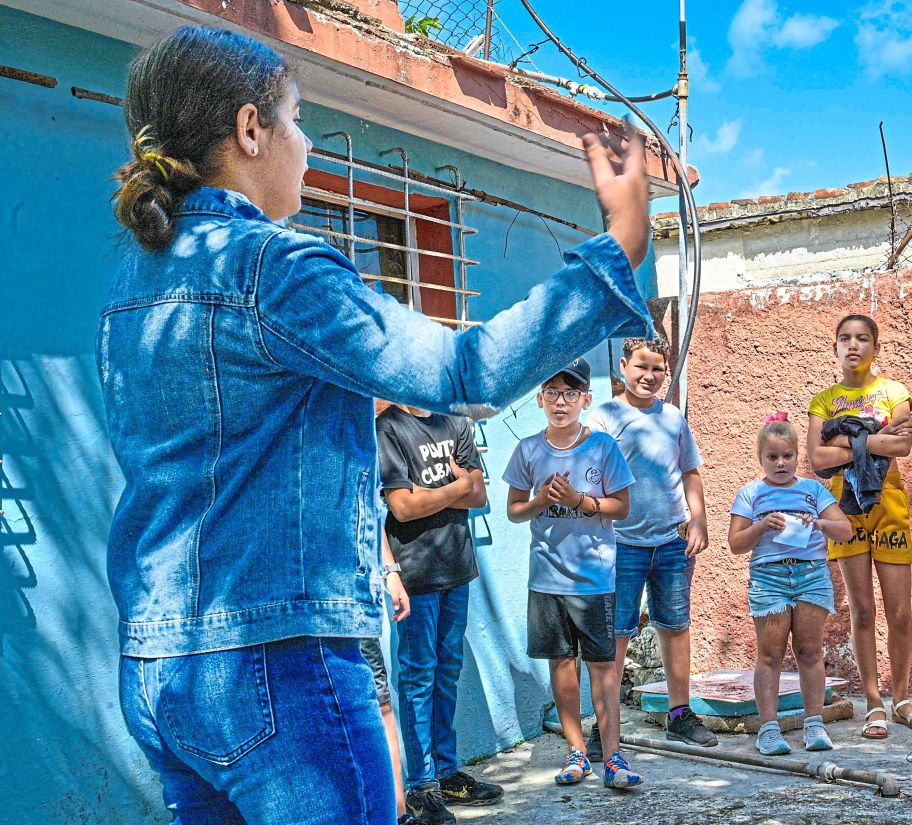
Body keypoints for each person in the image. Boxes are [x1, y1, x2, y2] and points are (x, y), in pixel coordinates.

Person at [100, 26, 652, 824]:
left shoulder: (131, 284)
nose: (308, 141)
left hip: (157, 669)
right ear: (250, 129)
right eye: (295, 119)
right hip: (276, 662)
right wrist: (618, 251)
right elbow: (465, 372)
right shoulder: (275, 267)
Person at [503, 359, 643, 789]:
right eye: (551, 392)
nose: (560, 401)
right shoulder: (528, 449)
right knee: (562, 667)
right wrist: (542, 500)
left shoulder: (602, 447)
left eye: (570, 393)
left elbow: (622, 506)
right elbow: (513, 510)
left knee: (603, 668)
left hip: (594, 579)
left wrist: (582, 501)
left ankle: (614, 756)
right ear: (540, 399)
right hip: (546, 579)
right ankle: (576, 752)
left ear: (585, 399)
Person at [585, 335, 716, 755]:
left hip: (672, 543)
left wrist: (698, 520)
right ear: (623, 366)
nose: (649, 376)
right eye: (641, 366)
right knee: (616, 634)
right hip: (620, 545)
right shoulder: (603, 417)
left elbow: (689, 473)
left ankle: (680, 714)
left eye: (658, 368)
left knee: (675, 627)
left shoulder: (674, 418)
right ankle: (606, 723)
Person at [375, 400, 503, 824]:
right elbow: (402, 507)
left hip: (457, 569)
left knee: (448, 670)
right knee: (416, 678)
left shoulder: (456, 423)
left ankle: (447, 774)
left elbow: (480, 494)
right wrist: (457, 487)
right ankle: (420, 786)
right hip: (415, 576)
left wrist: (450, 491)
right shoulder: (389, 428)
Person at [806, 314, 912, 740]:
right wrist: (874, 440)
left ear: (876, 345)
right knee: (862, 611)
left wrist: (845, 442)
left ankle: (902, 699)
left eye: (862, 339)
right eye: (845, 339)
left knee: (898, 611)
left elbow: (904, 445)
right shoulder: (823, 401)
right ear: (835, 346)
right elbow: (816, 461)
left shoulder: (894, 391)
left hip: (889, 507)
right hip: (844, 511)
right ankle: (874, 702)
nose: (853, 345)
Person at [728, 414, 853, 756]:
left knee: (810, 652)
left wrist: (818, 522)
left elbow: (845, 531)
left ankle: (814, 725)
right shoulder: (751, 493)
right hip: (769, 578)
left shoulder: (813, 489)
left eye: (787, 456)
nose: (780, 463)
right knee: (770, 654)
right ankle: (768, 729)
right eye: (772, 457)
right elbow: (736, 543)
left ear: (797, 456)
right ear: (761, 458)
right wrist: (761, 527)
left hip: (811, 575)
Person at [359, 524, 413, 824]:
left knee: (380, 705)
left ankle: (399, 812)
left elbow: (364, 502)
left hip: (351, 601)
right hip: (300, 608)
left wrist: (391, 571)